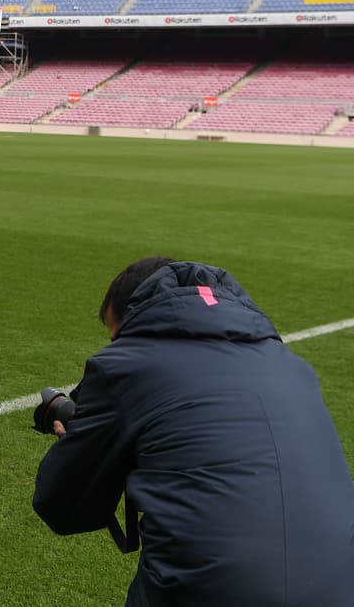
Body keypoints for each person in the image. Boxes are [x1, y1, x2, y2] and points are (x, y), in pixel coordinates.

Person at [33, 257, 354, 606]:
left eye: (117, 335)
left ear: (137, 314)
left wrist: (85, 445)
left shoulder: (126, 367)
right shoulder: (294, 367)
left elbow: (62, 508)